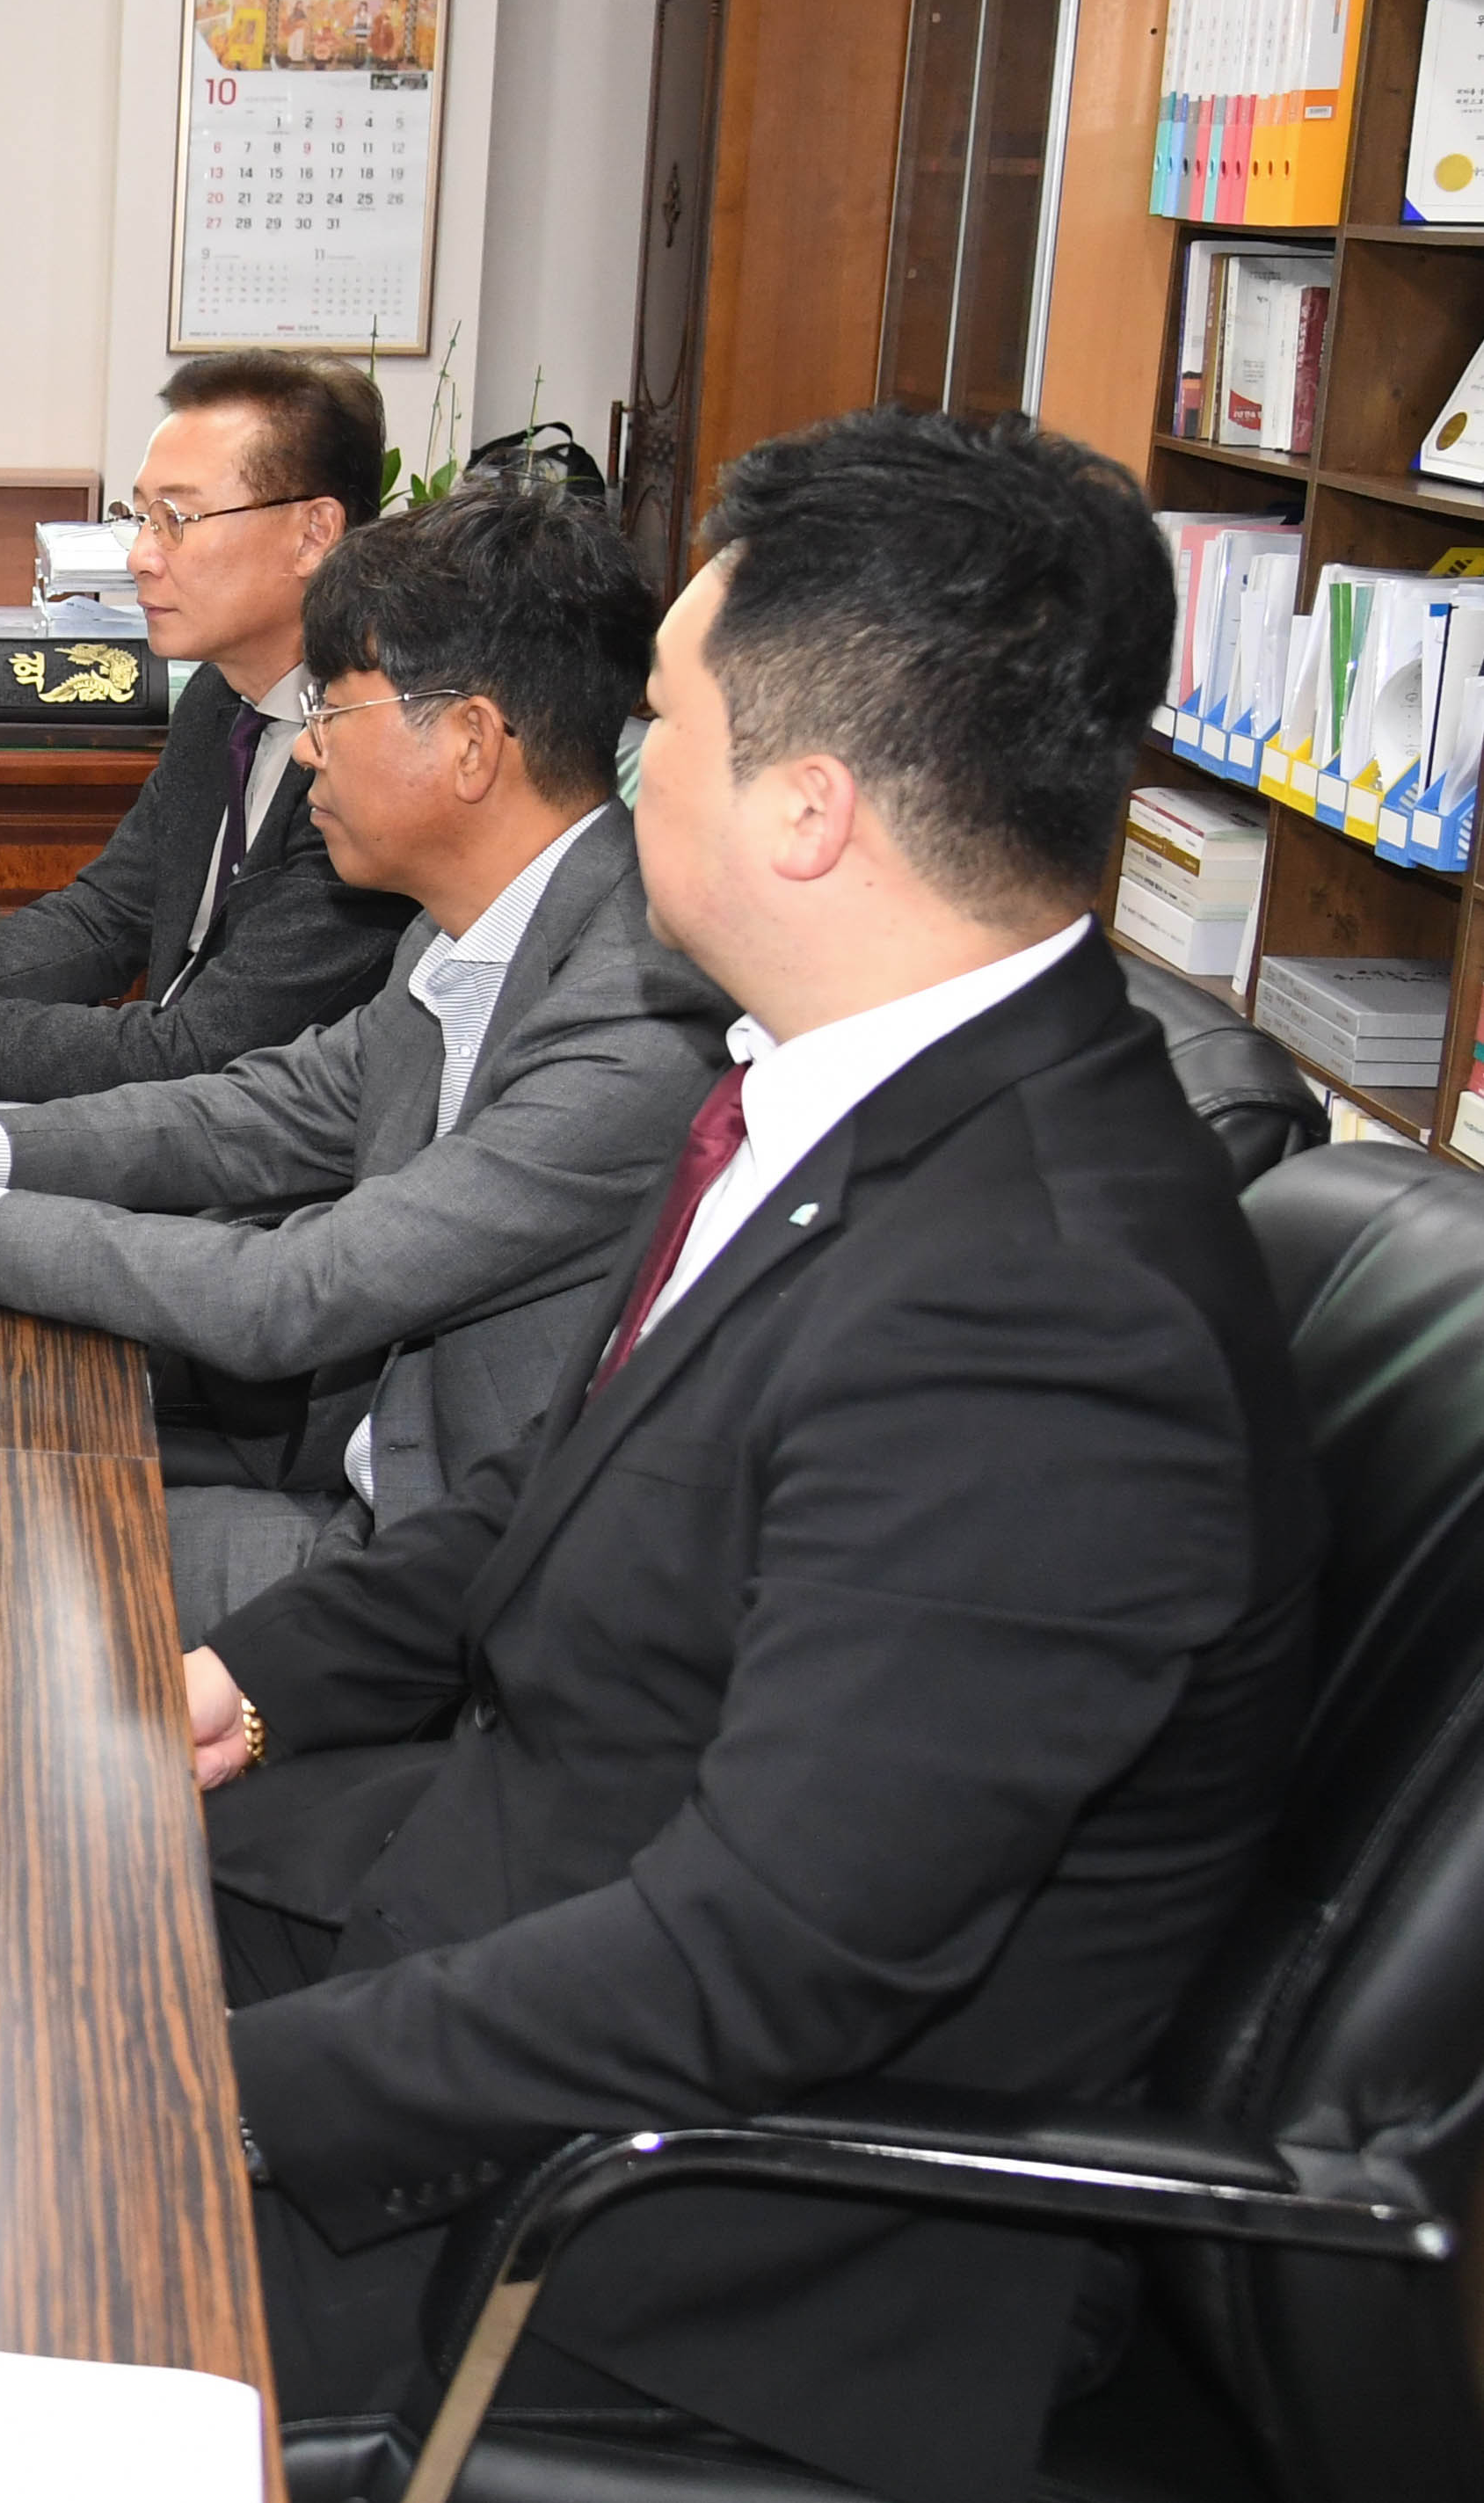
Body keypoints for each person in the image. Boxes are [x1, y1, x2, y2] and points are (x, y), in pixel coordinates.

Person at [182, 411, 1316, 2503]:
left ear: (800, 814)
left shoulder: (1046, 1316)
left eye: (658, 730)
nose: (618, 780)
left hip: (661, 2242)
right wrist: (244, 1675)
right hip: (493, 1901)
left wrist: (196, 2101)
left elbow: (746, 1965)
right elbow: (557, 1493)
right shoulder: (852, 1098)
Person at [0, 487, 729, 1634]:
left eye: (340, 708)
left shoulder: (627, 1012)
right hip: (336, 1464)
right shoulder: (467, 922)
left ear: (469, 741)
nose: (308, 745)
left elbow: (299, 1288)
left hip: (428, 1585)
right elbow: (249, 1115)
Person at [0, 351, 410, 1095]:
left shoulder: (377, 754)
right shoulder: (220, 695)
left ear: (313, 534)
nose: (140, 556)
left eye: (175, 519)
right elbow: (109, 918)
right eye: (138, 518)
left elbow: (199, 1053)